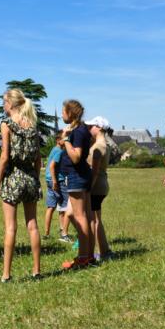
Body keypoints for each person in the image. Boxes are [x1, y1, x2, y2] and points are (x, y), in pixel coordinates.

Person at [0, 89, 42, 282]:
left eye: (4, 102)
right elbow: (38, 159)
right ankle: (36, 270)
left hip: (13, 177)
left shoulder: (6, 124)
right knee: (33, 226)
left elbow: (5, 156)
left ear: (10, 104)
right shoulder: (32, 125)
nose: (3, 106)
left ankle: (6, 274)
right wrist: (36, 178)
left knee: (10, 228)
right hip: (30, 177)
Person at [59, 99, 94, 270]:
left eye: (63, 111)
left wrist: (66, 140)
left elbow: (76, 157)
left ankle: (83, 258)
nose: (61, 114)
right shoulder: (79, 130)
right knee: (74, 215)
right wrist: (66, 140)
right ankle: (87, 255)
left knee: (80, 217)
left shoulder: (79, 131)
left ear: (70, 113)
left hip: (76, 176)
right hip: (79, 176)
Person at [85, 117, 113, 262]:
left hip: (96, 186)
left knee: (94, 220)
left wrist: (88, 188)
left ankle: (102, 252)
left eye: (91, 126)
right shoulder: (105, 144)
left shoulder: (98, 146)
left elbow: (94, 171)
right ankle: (105, 250)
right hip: (102, 184)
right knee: (97, 219)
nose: (89, 129)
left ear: (99, 127)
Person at [43, 133, 71, 242]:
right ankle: (64, 234)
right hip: (57, 181)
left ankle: (46, 233)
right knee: (65, 207)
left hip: (48, 180)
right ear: (58, 140)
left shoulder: (54, 149)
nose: (67, 141)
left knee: (51, 207)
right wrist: (55, 181)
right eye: (65, 139)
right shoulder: (59, 151)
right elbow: (52, 166)